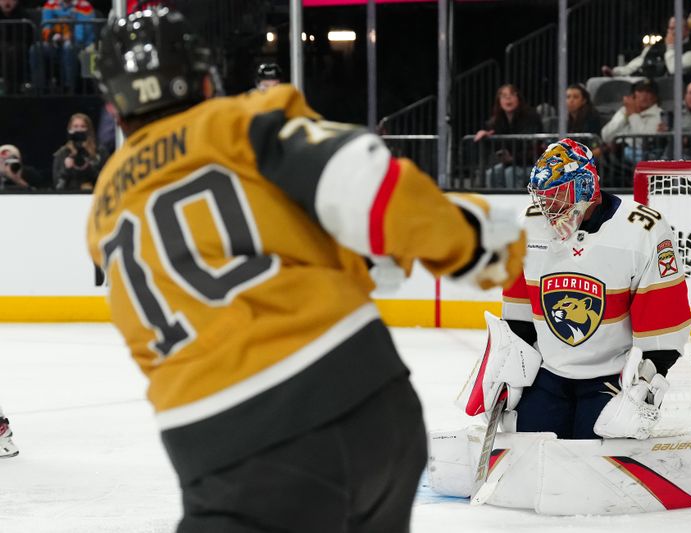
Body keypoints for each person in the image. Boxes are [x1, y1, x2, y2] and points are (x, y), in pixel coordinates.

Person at [87, 8, 525, 533]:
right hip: (362, 395)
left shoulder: (103, 206)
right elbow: (365, 187)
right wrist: (472, 245)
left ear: (115, 103)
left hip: (224, 447)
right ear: (206, 77)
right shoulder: (238, 124)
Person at [483, 138, 691, 439]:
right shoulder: (527, 227)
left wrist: (647, 383)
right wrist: (509, 374)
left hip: (609, 378)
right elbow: (519, 317)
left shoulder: (643, 229)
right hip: (549, 374)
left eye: (557, 196)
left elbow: (664, 325)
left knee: (597, 441)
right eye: (543, 197)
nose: (547, 208)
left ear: (586, 186)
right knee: (525, 437)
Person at [474, 83, 543, 189]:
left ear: (518, 98)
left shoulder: (531, 117)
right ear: (499, 101)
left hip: (531, 164)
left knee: (510, 173)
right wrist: (487, 136)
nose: (508, 98)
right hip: (512, 164)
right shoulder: (496, 121)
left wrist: (513, 158)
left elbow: (530, 145)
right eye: (504, 96)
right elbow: (496, 147)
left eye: (512, 94)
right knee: (492, 173)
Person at [600, 17, 691, 79]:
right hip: (640, 79)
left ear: (687, 31)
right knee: (594, 82)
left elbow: (674, 70)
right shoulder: (656, 46)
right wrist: (615, 72)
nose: (673, 32)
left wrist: (670, 47)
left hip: (664, 86)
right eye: (671, 28)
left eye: (677, 28)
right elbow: (636, 64)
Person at [30, 0, 97, 93]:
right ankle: (39, 89)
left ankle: (68, 88)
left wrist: (68, 37)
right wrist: (54, 36)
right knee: (36, 48)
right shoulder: (51, 4)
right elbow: (46, 27)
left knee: (68, 47)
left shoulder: (84, 6)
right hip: (56, 43)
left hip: (81, 46)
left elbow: (80, 35)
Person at [53, 113, 107, 191]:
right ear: (69, 130)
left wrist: (89, 167)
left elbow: (105, 182)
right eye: (75, 127)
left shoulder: (100, 152)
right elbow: (57, 187)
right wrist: (66, 169)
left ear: (89, 130)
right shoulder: (62, 154)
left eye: (83, 126)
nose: (79, 130)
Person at [0, 0, 37, 95]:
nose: (7, 2)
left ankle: (14, 88)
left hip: (20, 48)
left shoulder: (24, 15)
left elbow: (28, 37)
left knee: (15, 52)